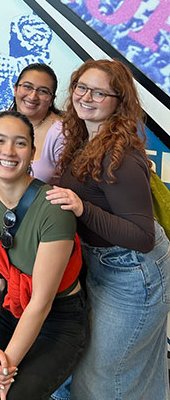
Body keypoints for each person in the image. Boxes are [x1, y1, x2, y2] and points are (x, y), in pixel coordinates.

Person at [46, 59, 170, 400]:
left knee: (103, 376)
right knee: (133, 365)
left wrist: (83, 208)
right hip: (101, 264)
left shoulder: (121, 155)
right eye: (81, 88)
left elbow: (142, 236)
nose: (86, 97)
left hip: (133, 272)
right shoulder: (85, 138)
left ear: (119, 100)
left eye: (99, 92)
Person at [0, 111, 88, 400]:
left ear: (32, 153)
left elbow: (41, 303)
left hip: (57, 320)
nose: (8, 151)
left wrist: (2, 373)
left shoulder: (54, 207)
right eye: (0, 141)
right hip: (12, 307)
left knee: (7, 396)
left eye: (19, 143)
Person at [0, 63, 62, 184]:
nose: (33, 96)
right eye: (27, 87)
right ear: (15, 88)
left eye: (43, 91)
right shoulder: (4, 116)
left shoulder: (60, 133)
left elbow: (68, 184)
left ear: (52, 99)